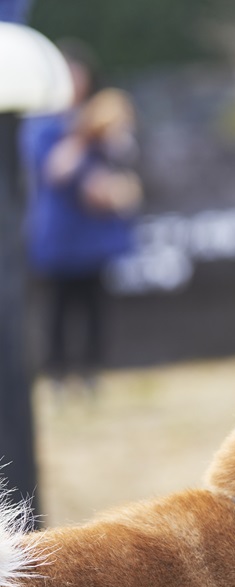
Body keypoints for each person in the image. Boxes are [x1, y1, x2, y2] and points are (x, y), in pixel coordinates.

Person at [20, 44, 141, 390]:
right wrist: (84, 133)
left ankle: (92, 372)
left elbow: (124, 161)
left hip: (94, 232)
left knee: (94, 304)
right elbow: (56, 170)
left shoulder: (104, 119)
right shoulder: (43, 123)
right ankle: (57, 373)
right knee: (58, 306)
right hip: (60, 232)